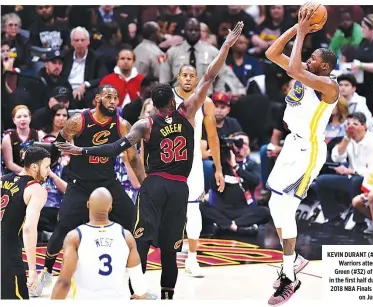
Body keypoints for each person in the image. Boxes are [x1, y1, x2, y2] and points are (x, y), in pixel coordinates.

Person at [55, 22, 244, 300]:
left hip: (154, 185)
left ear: (154, 105)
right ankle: (168, 294)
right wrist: (226, 45)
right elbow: (210, 76)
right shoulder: (189, 112)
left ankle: (138, 291)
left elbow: (113, 149)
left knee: (141, 239)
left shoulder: (146, 124)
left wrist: (81, 151)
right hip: (180, 187)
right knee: (170, 246)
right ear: (174, 100)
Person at [32, 84, 146, 296]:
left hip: (108, 184)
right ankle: (46, 274)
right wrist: (44, 171)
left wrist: (145, 183)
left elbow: (132, 157)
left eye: (116, 98)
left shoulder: (121, 124)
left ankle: (136, 286)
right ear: (97, 100)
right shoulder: (78, 121)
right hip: (80, 184)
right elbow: (58, 146)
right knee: (61, 230)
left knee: (134, 226)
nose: (113, 101)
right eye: (108, 97)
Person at [264, 8, 339, 306]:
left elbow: (294, 69)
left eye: (314, 60)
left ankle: (289, 277)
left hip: (309, 150)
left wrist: (305, 33)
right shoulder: (304, 71)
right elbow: (272, 52)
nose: (309, 60)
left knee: (286, 211)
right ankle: (295, 259)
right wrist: (297, 28)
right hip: (291, 146)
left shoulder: (329, 86)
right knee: (273, 204)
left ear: (326, 67)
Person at [51, 187, 156, 300]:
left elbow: (63, 283)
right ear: (110, 208)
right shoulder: (126, 236)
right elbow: (139, 285)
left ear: (88, 204)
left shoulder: (75, 237)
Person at [172, 64, 225, 277]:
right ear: (177, 78)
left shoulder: (207, 103)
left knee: (193, 211)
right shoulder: (167, 100)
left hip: (192, 162)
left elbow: (213, 137)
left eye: (191, 76)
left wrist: (218, 169)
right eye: (184, 75)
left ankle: (192, 259)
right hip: (169, 162)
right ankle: (169, 255)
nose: (187, 79)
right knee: (169, 212)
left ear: (197, 80)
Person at [1, 146, 51, 299]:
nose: (49, 171)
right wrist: (32, 270)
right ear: (34, 167)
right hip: (7, 253)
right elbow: (28, 229)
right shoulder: (36, 189)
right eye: (47, 167)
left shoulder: (3, 180)